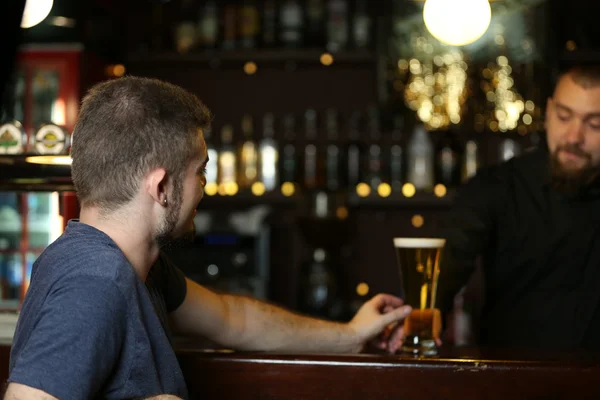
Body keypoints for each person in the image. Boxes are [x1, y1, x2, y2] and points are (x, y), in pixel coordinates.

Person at [5, 76, 413, 400]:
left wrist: (350, 336)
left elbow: (233, 319)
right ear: (161, 187)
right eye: (199, 170)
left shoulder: (125, 265)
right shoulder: (96, 283)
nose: (204, 186)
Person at [437, 64, 600, 350]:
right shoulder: (496, 187)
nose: (574, 137)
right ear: (548, 112)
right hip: (510, 382)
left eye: (595, 124)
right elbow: (445, 271)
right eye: (564, 117)